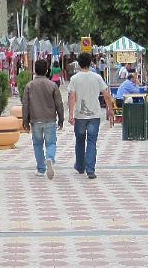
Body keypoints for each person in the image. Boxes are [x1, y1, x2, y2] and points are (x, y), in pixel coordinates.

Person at [67, 52, 116, 180]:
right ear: (90, 63)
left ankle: (80, 165)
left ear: (78, 63)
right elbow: (106, 94)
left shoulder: (74, 78)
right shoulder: (97, 77)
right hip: (94, 114)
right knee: (92, 141)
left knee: (80, 140)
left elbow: (72, 96)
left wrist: (71, 113)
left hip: (80, 115)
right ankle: (90, 169)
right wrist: (110, 109)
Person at [22, 59, 65, 179]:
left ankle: (41, 168)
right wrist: (61, 118)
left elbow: (25, 104)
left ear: (35, 70)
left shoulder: (29, 85)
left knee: (37, 144)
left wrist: (25, 120)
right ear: (47, 70)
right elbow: (59, 103)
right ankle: (50, 158)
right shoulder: (52, 85)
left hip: (35, 120)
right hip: (50, 119)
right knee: (51, 142)